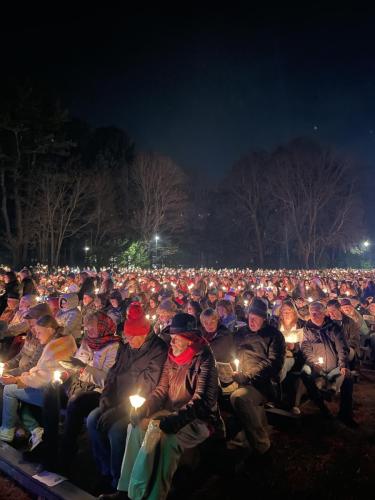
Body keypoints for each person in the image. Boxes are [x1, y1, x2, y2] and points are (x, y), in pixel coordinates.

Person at [99, 313, 219, 500]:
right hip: (171, 412)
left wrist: (175, 420)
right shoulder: (171, 358)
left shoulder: (203, 358)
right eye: (171, 339)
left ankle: (155, 495)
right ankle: (126, 490)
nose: (171, 344)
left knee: (166, 441)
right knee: (136, 428)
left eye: (176, 339)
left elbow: (203, 400)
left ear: (189, 340)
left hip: (197, 419)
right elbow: (161, 389)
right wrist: (144, 409)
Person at [24, 311, 121, 471]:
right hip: (77, 385)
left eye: (92, 329)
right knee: (51, 390)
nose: (88, 332)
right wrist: (64, 374)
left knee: (76, 402)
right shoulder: (87, 342)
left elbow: (107, 380)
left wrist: (83, 368)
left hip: (99, 392)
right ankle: (48, 447)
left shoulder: (114, 347)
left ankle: (66, 454)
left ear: (103, 328)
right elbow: (76, 364)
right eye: (87, 328)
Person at [87, 302, 168, 488]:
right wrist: (106, 398)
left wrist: (117, 411)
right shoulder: (126, 347)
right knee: (92, 420)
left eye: (132, 336)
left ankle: (119, 479)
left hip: (139, 405)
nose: (128, 339)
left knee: (117, 431)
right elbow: (114, 373)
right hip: (117, 401)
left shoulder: (157, 350)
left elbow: (147, 386)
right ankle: (105, 469)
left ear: (143, 333)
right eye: (127, 335)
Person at [0, 314, 76, 443]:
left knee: (8, 390)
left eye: (39, 332)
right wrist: (23, 376)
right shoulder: (65, 339)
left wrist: (16, 379)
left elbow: (41, 378)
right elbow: (42, 370)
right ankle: (34, 429)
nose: (36, 335)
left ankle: (7, 430)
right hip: (56, 389)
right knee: (19, 394)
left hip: (53, 395)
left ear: (50, 329)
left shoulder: (54, 348)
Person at [230, 298, 285, 462]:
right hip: (239, 377)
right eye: (249, 317)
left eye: (256, 318)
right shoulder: (240, 333)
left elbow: (273, 363)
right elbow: (232, 354)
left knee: (239, 398)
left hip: (263, 384)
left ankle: (261, 445)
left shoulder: (274, 336)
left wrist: (248, 376)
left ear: (264, 318)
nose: (251, 321)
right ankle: (235, 440)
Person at [301, 301, 357, 427]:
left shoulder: (334, 328)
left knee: (348, 378)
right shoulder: (307, 329)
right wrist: (312, 362)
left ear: (324, 313)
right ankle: (323, 407)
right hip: (317, 367)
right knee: (304, 374)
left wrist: (342, 365)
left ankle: (345, 414)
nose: (314, 315)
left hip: (335, 366)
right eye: (312, 312)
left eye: (317, 312)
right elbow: (305, 347)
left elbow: (342, 348)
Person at [327, 299, 360, 369]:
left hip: (348, 348)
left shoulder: (350, 322)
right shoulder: (328, 322)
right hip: (332, 348)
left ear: (339, 309)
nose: (331, 314)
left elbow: (354, 340)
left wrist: (342, 346)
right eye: (329, 312)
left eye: (333, 311)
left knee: (343, 355)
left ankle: (345, 372)